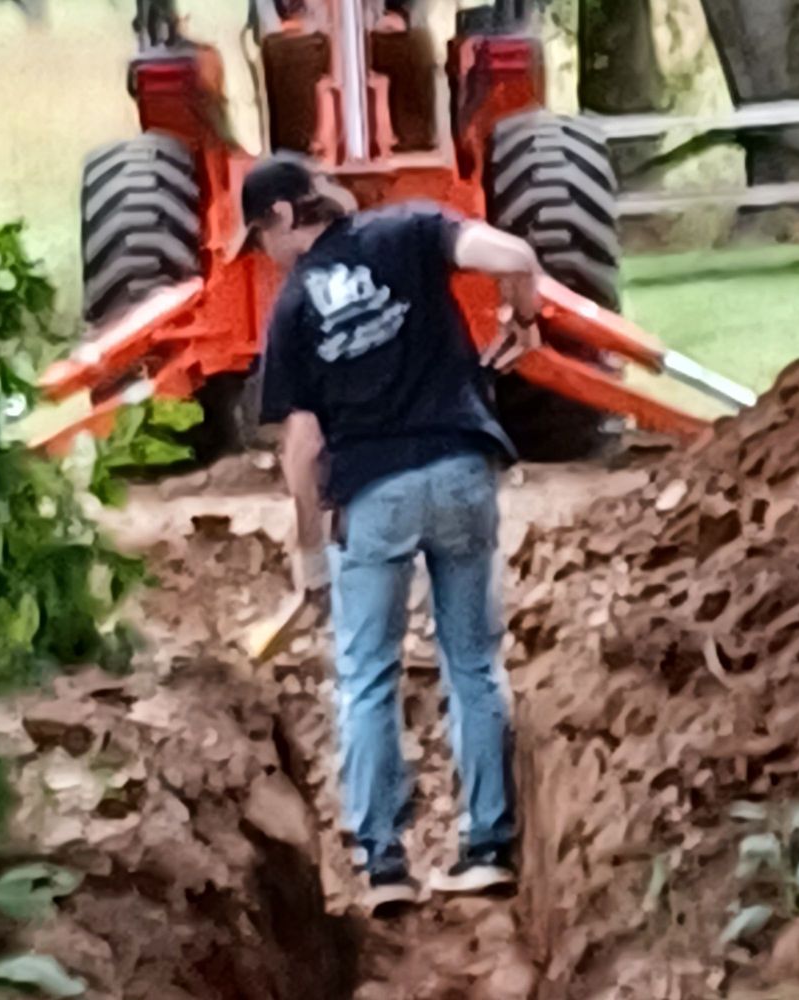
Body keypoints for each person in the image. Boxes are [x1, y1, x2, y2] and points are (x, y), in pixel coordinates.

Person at [235, 152, 540, 913]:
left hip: (373, 495)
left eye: (258, 237)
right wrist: (522, 318)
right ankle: (486, 849)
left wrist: (308, 554)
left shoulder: (295, 306)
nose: (264, 257)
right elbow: (515, 255)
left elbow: (303, 448)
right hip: (462, 470)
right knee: (472, 662)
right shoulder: (411, 228)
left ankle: (384, 864)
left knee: (367, 675)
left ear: (280, 218)